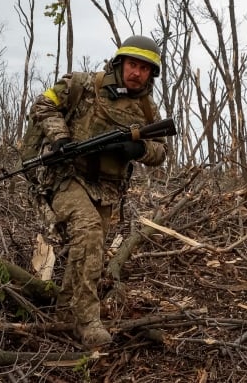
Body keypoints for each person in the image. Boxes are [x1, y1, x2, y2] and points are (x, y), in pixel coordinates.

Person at [29, 35, 168, 348]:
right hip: (67, 176)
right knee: (89, 232)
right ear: (120, 63)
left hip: (107, 190)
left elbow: (161, 152)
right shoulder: (82, 84)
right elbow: (43, 104)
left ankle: (65, 314)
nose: (138, 73)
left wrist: (137, 149)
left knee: (89, 248)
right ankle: (88, 321)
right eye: (133, 64)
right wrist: (60, 137)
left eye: (145, 69)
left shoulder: (147, 108)